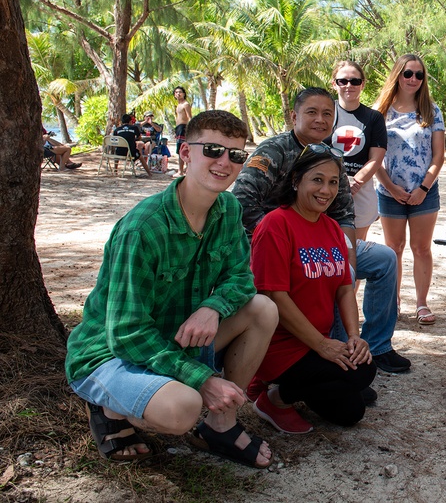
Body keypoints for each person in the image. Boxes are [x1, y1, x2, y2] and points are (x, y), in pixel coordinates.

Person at [64, 110, 278, 467]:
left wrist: (213, 307)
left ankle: (220, 426)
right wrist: (203, 379)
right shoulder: (143, 229)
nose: (224, 162)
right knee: (183, 408)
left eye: (236, 154)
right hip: (110, 354)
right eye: (212, 150)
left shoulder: (226, 209)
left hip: (172, 338)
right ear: (185, 153)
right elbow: (127, 334)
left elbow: (242, 278)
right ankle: (109, 408)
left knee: (262, 309)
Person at [233, 88, 410, 374]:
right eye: (312, 112)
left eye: (328, 113)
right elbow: (242, 202)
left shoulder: (332, 156)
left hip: (323, 241)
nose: (320, 120)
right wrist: (282, 243)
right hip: (273, 244)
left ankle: (375, 346)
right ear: (294, 116)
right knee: (322, 274)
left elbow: (343, 213)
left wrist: (348, 259)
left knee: (383, 259)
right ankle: (336, 358)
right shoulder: (274, 150)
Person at [250, 143, 377, 434]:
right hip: (279, 346)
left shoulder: (332, 227)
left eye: (334, 182)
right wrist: (322, 345)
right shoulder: (275, 225)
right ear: (296, 181)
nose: (326, 190)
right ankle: (272, 399)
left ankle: (298, 387)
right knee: (363, 373)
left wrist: (354, 337)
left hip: (315, 344)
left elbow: (345, 288)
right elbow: (274, 296)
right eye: (317, 180)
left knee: (351, 413)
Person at [374, 55, 446, 326]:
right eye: (407, 74)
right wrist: (391, 188)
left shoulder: (432, 111)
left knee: (421, 248)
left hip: (424, 192)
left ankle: (421, 303)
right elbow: (375, 157)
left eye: (419, 75)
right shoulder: (379, 112)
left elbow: (438, 157)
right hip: (388, 191)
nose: (413, 79)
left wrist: (423, 188)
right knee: (393, 248)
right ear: (397, 75)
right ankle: (393, 301)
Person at [328, 60, 387, 242]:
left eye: (354, 81)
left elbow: (376, 158)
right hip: (326, 186)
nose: (349, 85)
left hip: (359, 189)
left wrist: (355, 182)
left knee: (355, 246)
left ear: (362, 84)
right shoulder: (325, 113)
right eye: (342, 81)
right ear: (334, 83)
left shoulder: (373, 118)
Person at [174, 86, 193, 176]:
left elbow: (190, 118)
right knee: (179, 150)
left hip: (184, 128)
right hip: (178, 128)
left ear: (184, 94)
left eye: (180, 92)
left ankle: (182, 171)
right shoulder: (178, 105)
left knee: (183, 150)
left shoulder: (186, 104)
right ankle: (181, 170)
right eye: (176, 92)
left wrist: (189, 130)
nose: (178, 94)